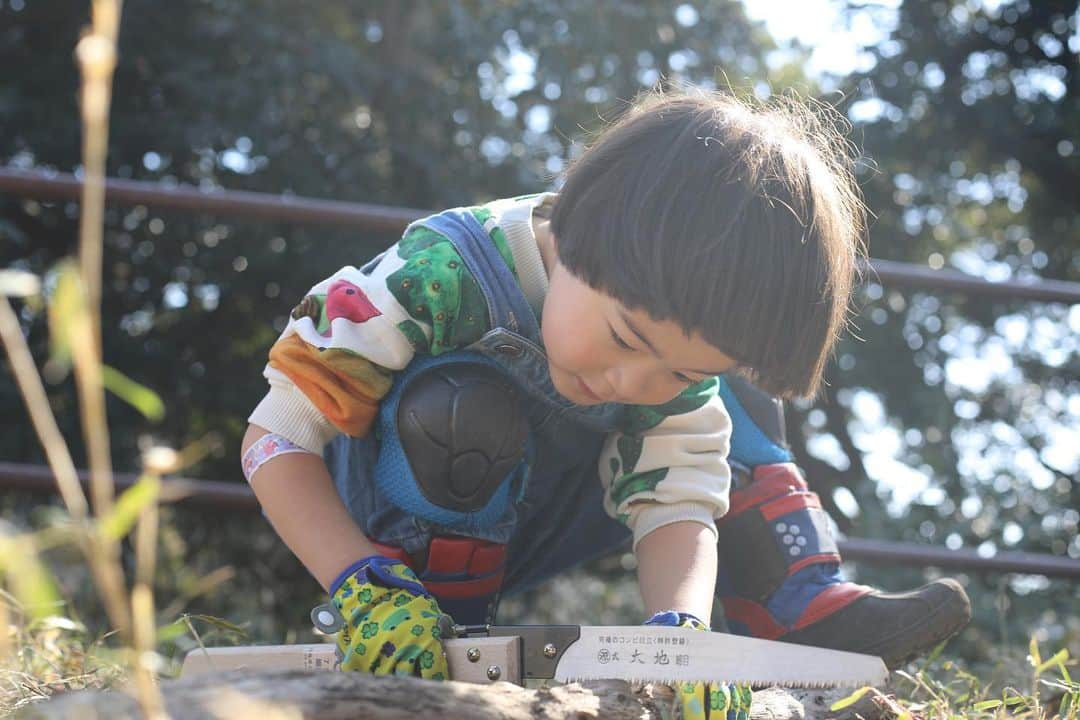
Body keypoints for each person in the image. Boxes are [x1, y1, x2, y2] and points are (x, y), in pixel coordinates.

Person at [241, 87, 970, 718]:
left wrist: (680, 630)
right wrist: (358, 580)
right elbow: (274, 439)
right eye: (624, 336)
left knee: (732, 396)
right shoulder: (433, 274)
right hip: (399, 524)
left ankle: (796, 605)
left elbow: (678, 507)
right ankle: (442, 631)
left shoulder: (661, 358)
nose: (635, 383)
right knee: (462, 404)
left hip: (550, 508)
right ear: (574, 223)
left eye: (674, 371)